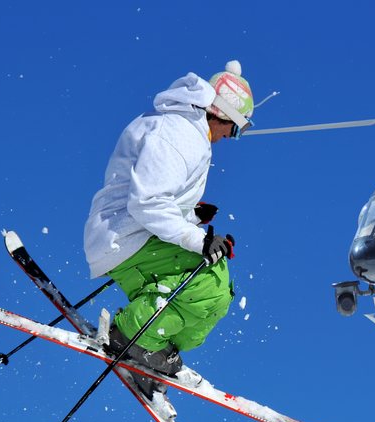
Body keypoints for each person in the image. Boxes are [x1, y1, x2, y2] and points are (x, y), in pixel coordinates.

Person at [83, 61, 255, 399]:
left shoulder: (186, 133)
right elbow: (147, 203)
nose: (229, 137)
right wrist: (199, 239)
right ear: (219, 115)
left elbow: (156, 197)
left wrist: (191, 216)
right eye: (235, 129)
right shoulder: (178, 135)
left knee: (216, 293)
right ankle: (132, 336)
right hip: (125, 238)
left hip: (132, 238)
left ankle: (149, 350)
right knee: (209, 283)